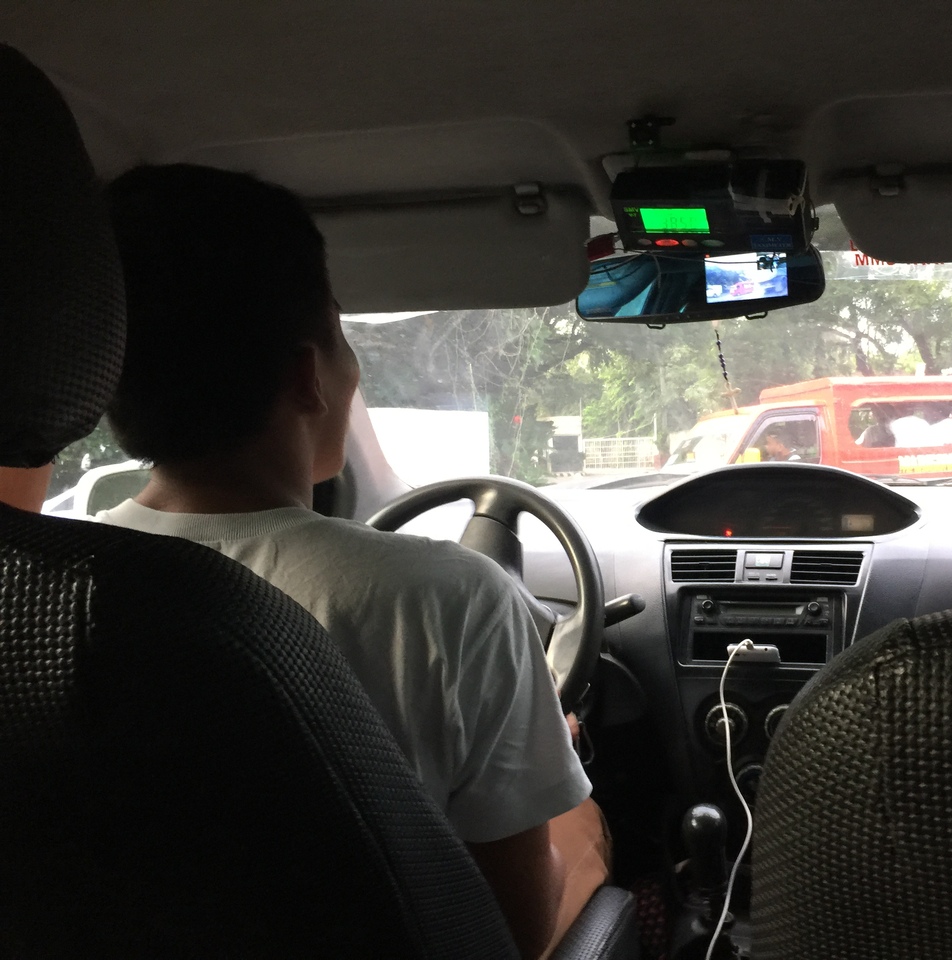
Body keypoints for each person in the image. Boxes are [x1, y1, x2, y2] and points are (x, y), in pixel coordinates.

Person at [97, 164, 605, 960]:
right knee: (587, 829)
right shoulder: (449, 598)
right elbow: (510, 934)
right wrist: (552, 766)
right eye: (343, 336)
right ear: (308, 376)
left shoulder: (40, 596)